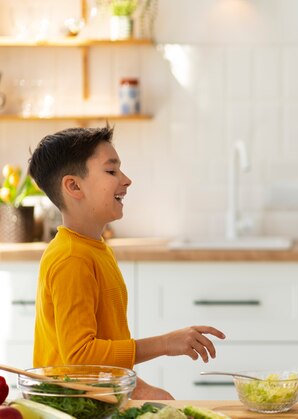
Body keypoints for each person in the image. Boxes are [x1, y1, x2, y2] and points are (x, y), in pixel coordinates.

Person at [27, 126, 226, 400]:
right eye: (111, 171)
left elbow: (104, 345)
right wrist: (166, 343)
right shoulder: (71, 257)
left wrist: (136, 386)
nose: (127, 180)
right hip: (72, 406)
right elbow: (80, 358)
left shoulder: (95, 250)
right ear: (73, 186)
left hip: (97, 397)